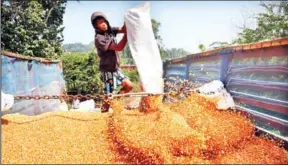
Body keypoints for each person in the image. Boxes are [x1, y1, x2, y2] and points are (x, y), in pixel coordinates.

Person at [91, 12, 133, 95]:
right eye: (100, 23)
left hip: (115, 69)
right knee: (108, 98)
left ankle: (117, 101)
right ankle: (109, 105)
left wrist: (128, 19)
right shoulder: (99, 39)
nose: (103, 24)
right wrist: (127, 35)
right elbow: (119, 47)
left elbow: (123, 29)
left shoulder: (111, 31)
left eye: (104, 21)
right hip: (107, 71)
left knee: (129, 86)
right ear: (96, 26)